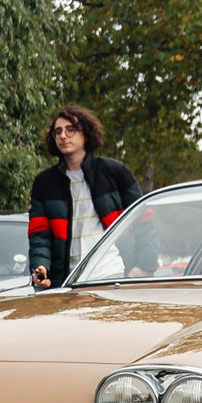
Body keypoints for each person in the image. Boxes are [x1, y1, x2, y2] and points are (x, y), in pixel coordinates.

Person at [28, 105, 144, 288]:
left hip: (112, 274)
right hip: (66, 281)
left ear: (86, 133)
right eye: (57, 131)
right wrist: (41, 267)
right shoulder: (44, 183)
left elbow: (143, 220)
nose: (63, 136)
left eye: (70, 130)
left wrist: (144, 266)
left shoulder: (115, 173)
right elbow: (39, 235)